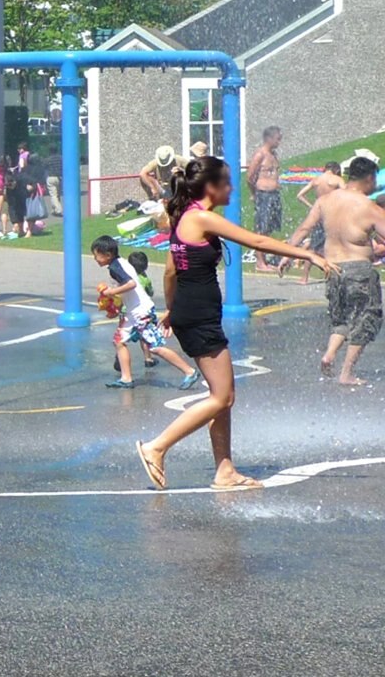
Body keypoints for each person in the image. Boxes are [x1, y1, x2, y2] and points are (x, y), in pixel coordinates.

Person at [135, 156, 334, 492]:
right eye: (226, 182)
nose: (231, 188)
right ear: (211, 187)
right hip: (198, 317)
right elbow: (255, 241)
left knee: (222, 395)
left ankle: (224, 470)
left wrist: (172, 309)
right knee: (222, 397)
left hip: (192, 313)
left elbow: (171, 270)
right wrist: (309, 255)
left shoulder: (183, 215)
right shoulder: (200, 217)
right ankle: (157, 447)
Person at [288, 156, 385, 385]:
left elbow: (304, 229)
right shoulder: (369, 207)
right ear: (370, 178)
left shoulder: (325, 201)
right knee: (367, 318)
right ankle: (347, 373)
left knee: (340, 317)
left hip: (332, 268)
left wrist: (289, 253)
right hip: (359, 269)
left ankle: (329, 354)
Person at [91, 235, 201, 391]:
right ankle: (126, 378)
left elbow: (131, 284)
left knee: (155, 347)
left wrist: (111, 292)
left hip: (141, 312)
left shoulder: (116, 267)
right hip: (133, 312)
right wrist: (115, 308)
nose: (95, 258)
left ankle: (189, 371)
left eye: (96, 254)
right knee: (119, 341)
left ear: (107, 254)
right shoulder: (120, 264)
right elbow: (128, 291)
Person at [280, 161, 345, 284]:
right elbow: (347, 194)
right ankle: (336, 274)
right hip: (332, 215)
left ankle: (304, 278)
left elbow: (299, 195)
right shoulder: (336, 179)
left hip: (318, 215)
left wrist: (312, 206)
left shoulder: (317, 180)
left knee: (313, 247)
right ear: (336, 170)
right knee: (335, 245)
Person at [245, 126, 284, 270]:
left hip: (273, 195)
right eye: (278, 139)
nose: (279, 142)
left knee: (269, 228)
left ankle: (265, 260)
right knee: (261, 228)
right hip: (263, 194)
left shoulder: (273, 154)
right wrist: (254, 194)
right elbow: (249, 177)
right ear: (269, 138)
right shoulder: (260, 155)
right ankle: (260, 263)